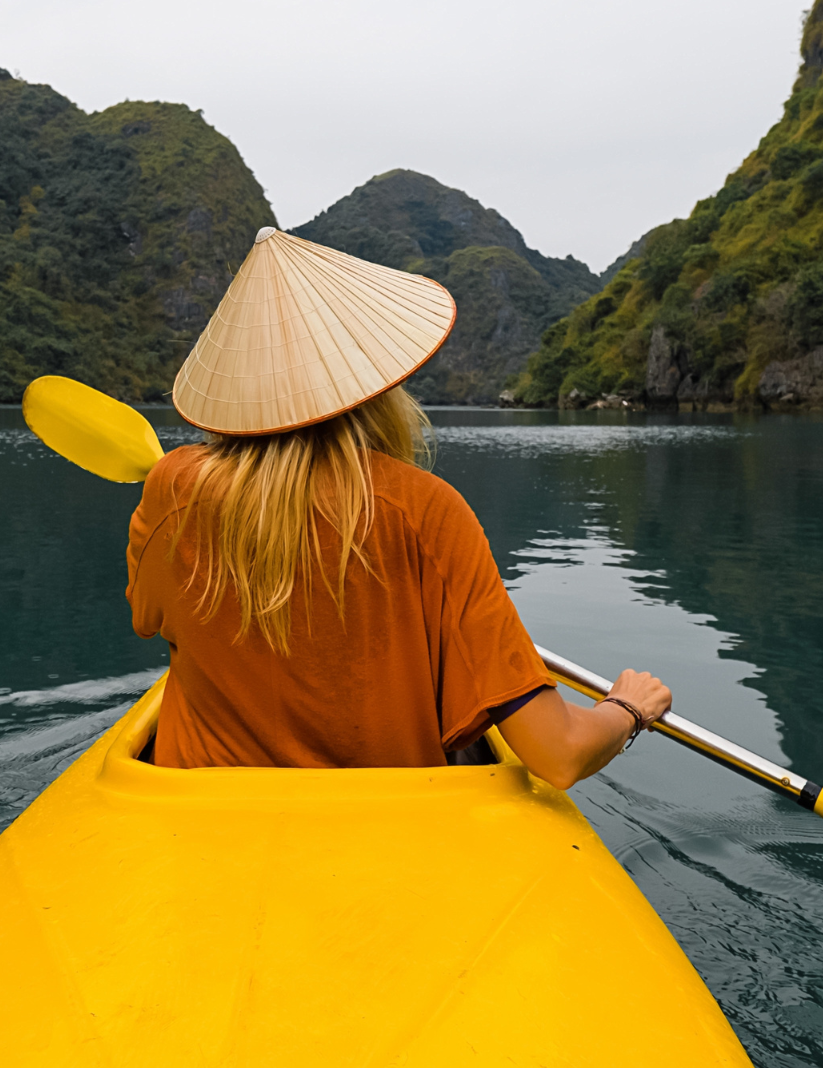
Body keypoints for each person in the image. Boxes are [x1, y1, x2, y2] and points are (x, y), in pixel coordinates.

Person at [126, 227, 670, 787]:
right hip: (389, 828)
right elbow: (559, 753)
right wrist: (626, 708)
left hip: (199, 820)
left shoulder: (171, 488)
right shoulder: (427, 512)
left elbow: (147, 619)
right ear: (377, 381)